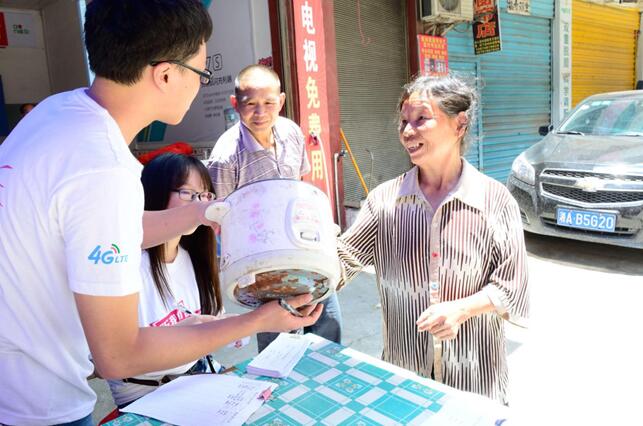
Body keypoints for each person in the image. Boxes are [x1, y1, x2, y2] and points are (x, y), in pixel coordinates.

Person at [0, 2, 321, 425]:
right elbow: (118, 355)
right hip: (37, 405)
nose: (200, 84)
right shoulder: (103, 169)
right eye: (201, 73)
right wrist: (257, 320)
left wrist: (203, 212)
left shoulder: (57, 112)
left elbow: (103, 229)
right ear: (167, 74)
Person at [336, 74, 529, 404]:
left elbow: (512, 287)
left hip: (475, 379)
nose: (407, 131)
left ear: (459, 125)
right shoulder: (384, 201)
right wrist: (301, 265)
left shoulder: (495, 201)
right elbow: (344, 259)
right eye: (404, 122)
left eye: (421, 119)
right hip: (404, 378)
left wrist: (463, 309)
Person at [207, 64, 342, 352]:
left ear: (281, 101)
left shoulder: (291, 132)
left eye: (269, 103)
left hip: (304, 248)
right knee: (277, 345)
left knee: (327, 324)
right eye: (250, 104)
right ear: (235, 103)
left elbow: (300, 187)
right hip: (262, 262)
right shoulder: (225, 156)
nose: (260, 112)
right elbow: (219, 221)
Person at [107, 153, 229, 408]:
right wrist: (185, 335)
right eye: (187, 193)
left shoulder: (195, 259)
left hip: (201, 377)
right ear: (155, 193)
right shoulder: (123, 265)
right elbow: (108, 361)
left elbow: (213, 322)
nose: (199, 205)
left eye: (204, 195)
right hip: (146, 395)